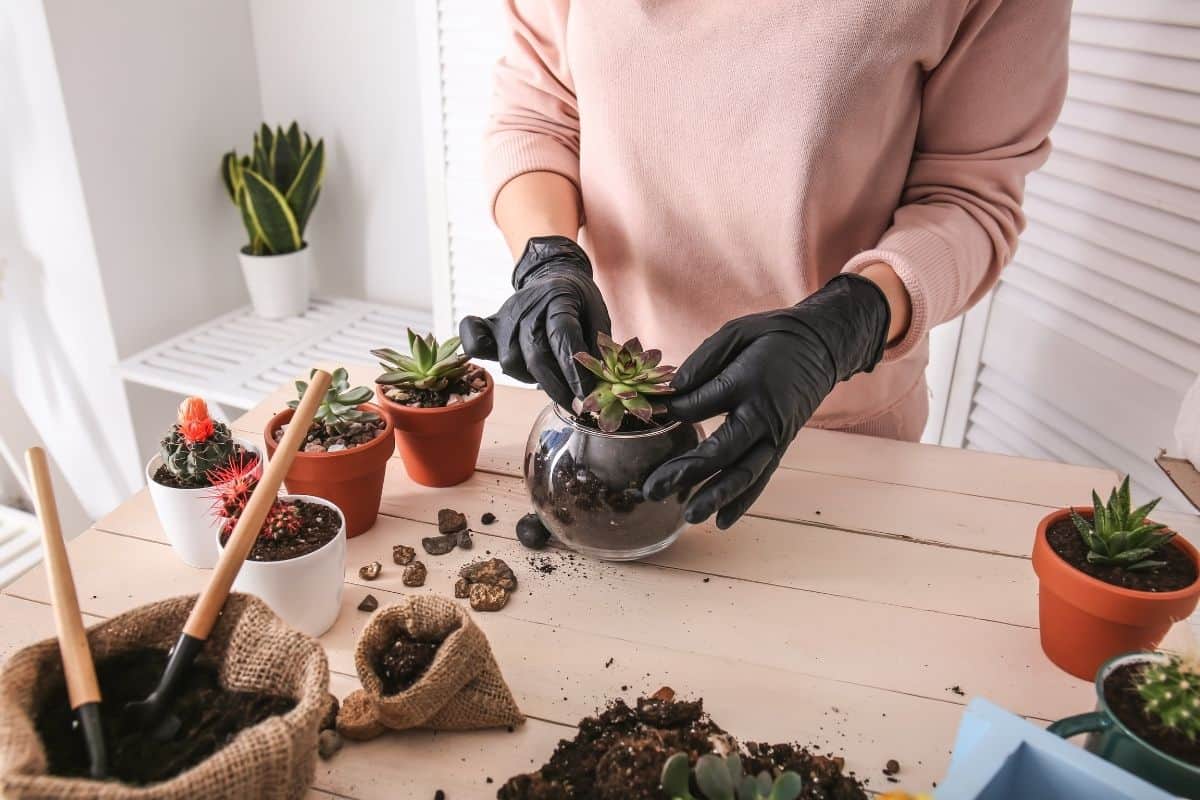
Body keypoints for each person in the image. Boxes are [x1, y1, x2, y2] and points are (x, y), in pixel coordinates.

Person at [460, 1, 1070, 530]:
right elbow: (539, 112)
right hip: (611, 419)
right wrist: (548, 258)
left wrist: (846, 324)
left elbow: (970, 197)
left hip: (832, 439)